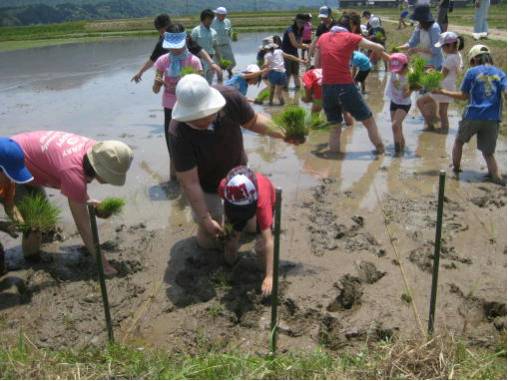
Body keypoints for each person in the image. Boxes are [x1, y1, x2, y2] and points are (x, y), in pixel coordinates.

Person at [168, 74, 299, 249]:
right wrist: (206, 219)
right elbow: (189, 182)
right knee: (209, 239)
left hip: (238, 172)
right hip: (205, 183)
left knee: (252, 227)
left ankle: (242, 224)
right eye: (196, 118)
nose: (204, 120)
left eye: (208, 114)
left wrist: (283, 133)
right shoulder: (179, 132)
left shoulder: (230, 98)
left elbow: (253, 122)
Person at [10, 131, 133, 276]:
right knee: (34, 225)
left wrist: (86, 199)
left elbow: (76, 181)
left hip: (26, 158)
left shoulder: (95, 149)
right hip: (8, 168)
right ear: (100, 168)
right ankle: (32, 264)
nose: (110, 180)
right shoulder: (73, 171)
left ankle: (42, 248)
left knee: (45, 219)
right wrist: (104, 265)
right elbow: (84, 227)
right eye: (112, 175)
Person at [433, 45, 505, 184]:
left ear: (473, 60)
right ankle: (495, 177)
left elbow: (463, 96)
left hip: (473, 115)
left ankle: (456, 168)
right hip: (492, 118)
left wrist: (442, 92)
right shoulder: (500, 73)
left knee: (459, 142)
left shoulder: (472, 72)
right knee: (488, 152)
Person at [315, 26, 385, 154]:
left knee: (335, 127)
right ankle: (381, 152)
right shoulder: (350, 37)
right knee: (369, 121)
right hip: (345, 86)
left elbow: (317, 65)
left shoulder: (322, 37)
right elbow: (379, 48)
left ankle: (335, 161)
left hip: (327, 88)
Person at [152, 25, 203, 181]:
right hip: (169, 108)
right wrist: (157, 83)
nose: (174, 50)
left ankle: (194, 176)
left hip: (188, 108)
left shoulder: (193, 61)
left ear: (185, 41)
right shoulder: (163, 61)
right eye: (171, 47)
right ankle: (174, 178)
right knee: (172, 143)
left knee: (192, 142)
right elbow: (155, 90)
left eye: (178, 46)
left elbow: (200, 89)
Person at [218, 166, 276, 296]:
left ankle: (262, 274)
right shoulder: (224, 186)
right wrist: (229, 235)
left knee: (261, 248)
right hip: (239, 204)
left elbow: (269, 241)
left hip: (263, 199)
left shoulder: (262, 199)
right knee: (230, 243)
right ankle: (230, 268)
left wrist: (269, 276)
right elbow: (227, 217)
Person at [131, 14, 219, 84]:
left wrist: (211, 63)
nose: (162, 34)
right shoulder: (161, 42)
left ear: (169, 26)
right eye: (160, 32)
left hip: (192, 71)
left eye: (163, 31)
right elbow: (152, 59)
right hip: (173, 77)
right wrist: (140, 72)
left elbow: (199, 50)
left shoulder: (184, 37)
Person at [417, 32, 464, 130]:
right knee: (443, 112)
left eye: (443, 47)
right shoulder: (457, 55)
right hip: (450, 86)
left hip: (443, 87)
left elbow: (442, 76)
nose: (442, 49)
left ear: (450, 45)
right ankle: (443, 132)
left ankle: (431, 124)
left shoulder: (450, 59)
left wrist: (430, 73)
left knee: (420, 102)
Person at [0, 138, 34, 275]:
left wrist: (23, 225)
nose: (11, 179)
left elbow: (9, 206)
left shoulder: (7, 181)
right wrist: (3, 226)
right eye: (9, 174)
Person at [381, 52, 413, 154]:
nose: (397, 72)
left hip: (404, 104)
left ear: (405, 66)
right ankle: (402, 147)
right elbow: (385, 56)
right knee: (398, 127)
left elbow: (407, 95)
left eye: (399, 70)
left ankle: (397, 153)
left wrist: (407, 90)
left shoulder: (411, 75)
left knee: (395, 125)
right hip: (394, 101)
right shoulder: (394, 67)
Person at [398, 5, 443, 70]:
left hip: (435, 64)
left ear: (426, 20)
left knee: (431, 79)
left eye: (420, 20)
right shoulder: (419, 27)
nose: (419, 22)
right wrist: (398, 48)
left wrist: (417, 50)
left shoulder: (434, 28)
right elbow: (412, 42)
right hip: (424, 61)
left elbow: (436, 50)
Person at [263, 42, 306, 106]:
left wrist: (264, 67)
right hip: (282, 74)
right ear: (275, 47)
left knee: (272, 88)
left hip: (274, 73)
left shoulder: (266, 55)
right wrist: (300, 60)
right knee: (279, 93)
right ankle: (282, 104)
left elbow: (265, 64)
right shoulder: (279, 51)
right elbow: (289, 56)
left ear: (267, 49)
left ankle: (270, 102)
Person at [191, 9, 221, 84]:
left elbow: (216, 47)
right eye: (208, 19)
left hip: (211, 60)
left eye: (211, 19)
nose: (210, 21)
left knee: (209, 83)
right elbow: (191, 47)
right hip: (199, 61)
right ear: (203, 19)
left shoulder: (214, 32)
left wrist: (220, 60)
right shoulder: (196, 31)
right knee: (200, 83)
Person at [281, 14, 309, 90]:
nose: (301, 24)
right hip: (286, 53)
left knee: (296, 73)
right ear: (296, 21)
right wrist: (305, 46)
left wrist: (308, 45)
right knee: (288, 73)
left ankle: (298, 90)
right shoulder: (290, 30)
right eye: (300, 22)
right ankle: (285, 89)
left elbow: (299, 43)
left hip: (294, 52)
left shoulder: (302, 29)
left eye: (303, 22)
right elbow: (295, 44)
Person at [211, 7, 236, 80]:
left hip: (226, 45)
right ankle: (220, 79)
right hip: (216, 46)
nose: (223, 17)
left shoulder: (227, 21)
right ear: (217, 14)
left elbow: (230, 31)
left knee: (231, 62)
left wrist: (233, 35)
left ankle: (230, 73)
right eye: (221, 15)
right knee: (219, 63)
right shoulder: (212, 22)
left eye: (225, 15)